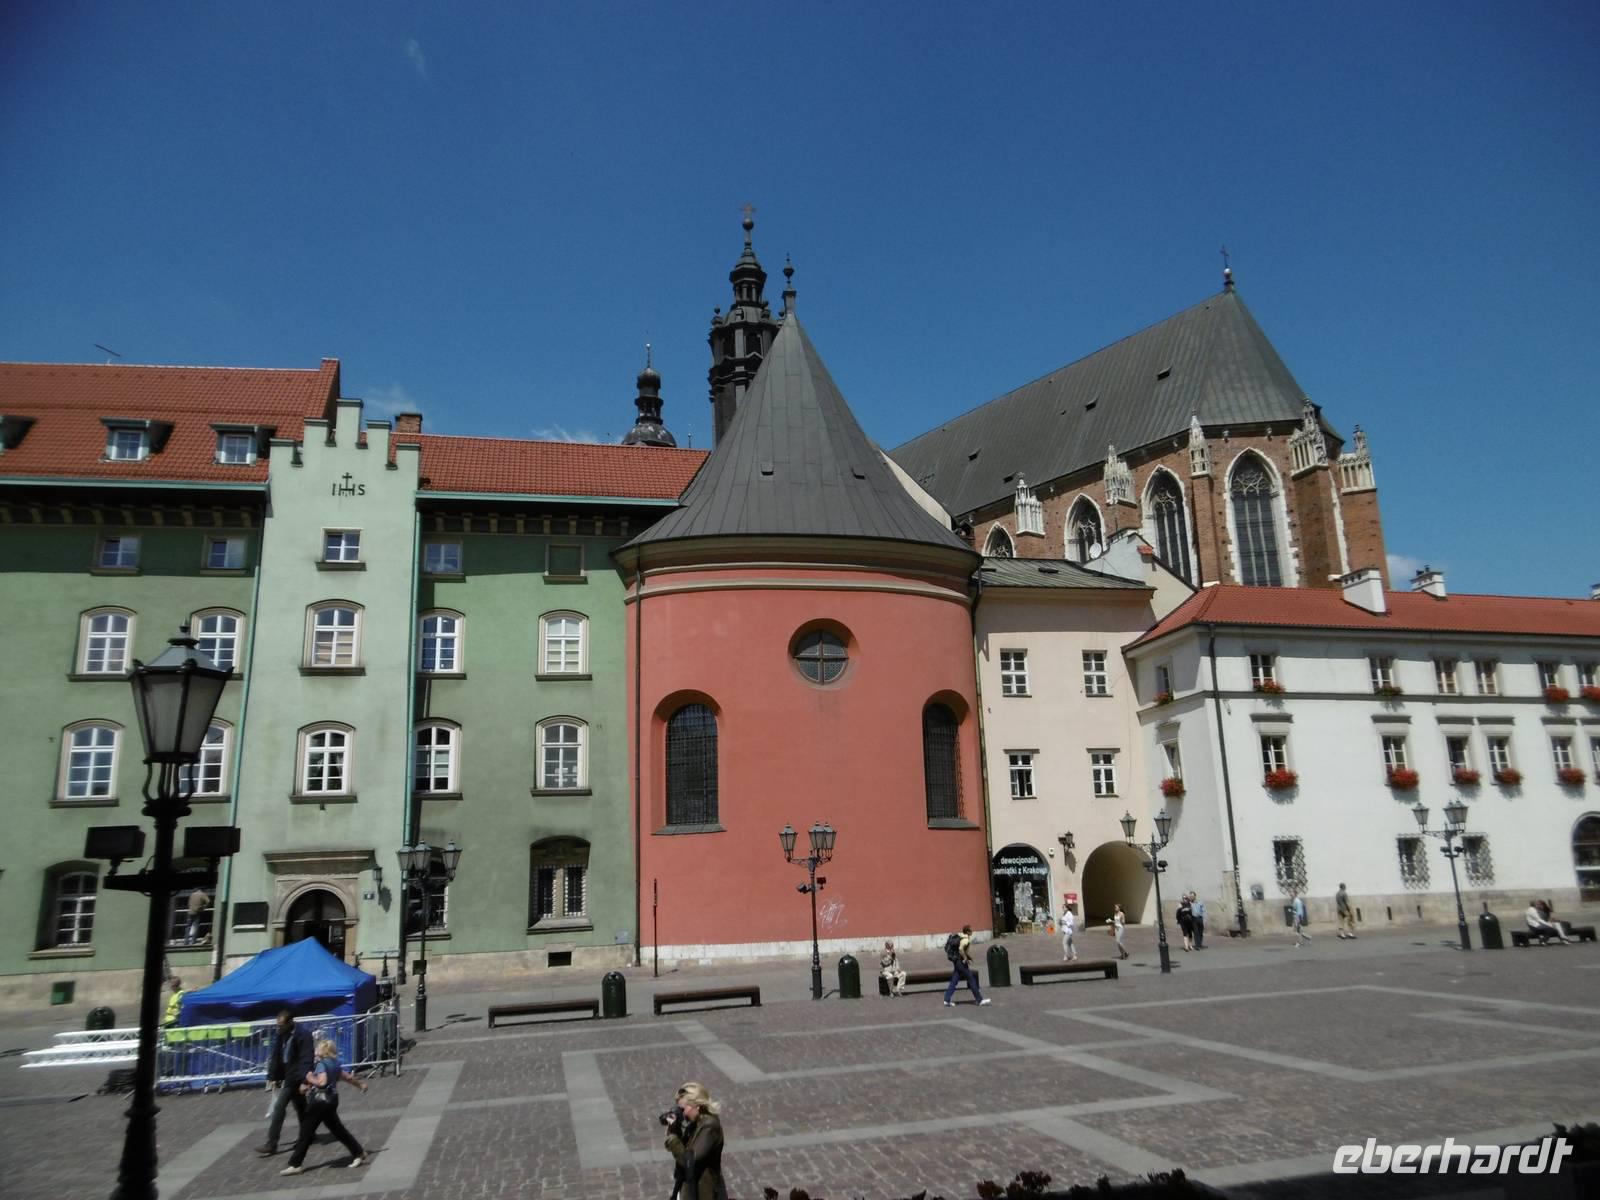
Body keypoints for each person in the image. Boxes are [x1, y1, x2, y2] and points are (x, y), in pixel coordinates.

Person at [279, 1038, 369, 1175]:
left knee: (306, 1132)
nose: (315, 1051)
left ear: (323, 1051)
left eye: (317, 1049)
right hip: (332, 1100)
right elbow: (347, 1077)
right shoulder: (335, 1063)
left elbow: (322, 1082)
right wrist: (360, 1085)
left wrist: (309, 1078)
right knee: (338, 1129)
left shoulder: (321, 1064)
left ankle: (295, 1164)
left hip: (319, 1102)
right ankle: (359, 1152)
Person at [257, 1010, 315, 1156]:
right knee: (301, 1107)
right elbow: (276, 1055)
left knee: (279, 1107)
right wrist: (273, 1075)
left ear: (290, 1022)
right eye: (278, 1026)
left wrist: (304, 1080)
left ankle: (272, 1143)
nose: (279, 1028)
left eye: (281, 1025)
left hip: (296, 1076)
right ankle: (308, 1134)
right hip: (287, 1073)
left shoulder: (303, 1035)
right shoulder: (281, 1034)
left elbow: (306, 1058)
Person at [664, 1080, 727, 1200]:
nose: (682, 1114)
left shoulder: (709, 1126)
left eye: (683, 1109)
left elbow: (690, 1160)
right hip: (692, 1187)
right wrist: (675, 1130)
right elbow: (684, 1149)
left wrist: (673, 1138)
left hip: (704, 1191)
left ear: (697, 1105)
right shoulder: (696, 1122)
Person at [942, 924, 991, 1007]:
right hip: (961, 962)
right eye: (971, 930)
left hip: (956, 961)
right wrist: (965, 958)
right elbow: (961, 949)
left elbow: (962, 950)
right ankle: (979, 1000)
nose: (972, 932)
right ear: (968, 932)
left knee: (954, 980)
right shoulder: (966, 940)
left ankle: (947, 1000)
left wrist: (969, 957)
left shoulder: (960, 936)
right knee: (971, 979)